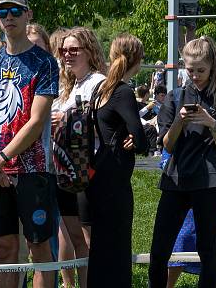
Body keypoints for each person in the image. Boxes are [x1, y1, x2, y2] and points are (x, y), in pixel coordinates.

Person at [0, 0, 59, 288]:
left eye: (15, 11)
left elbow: (36, 120)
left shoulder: (44, 63)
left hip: (32, 171)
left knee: (39, 249)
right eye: (2, 12)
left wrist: (2, 157)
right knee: (5, 249)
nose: (8, 17)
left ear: (28, 14)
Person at [149, 36, 216, 288]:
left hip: (210, 179)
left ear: (212, 66)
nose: (195, 75)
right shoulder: (174, 97)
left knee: (206, 248)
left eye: (201, 70)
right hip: (176, 178)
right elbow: (166, 145)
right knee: (159, 250)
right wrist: (180, 121)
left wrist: (212, 124)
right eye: (190, 70)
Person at [87, 34, 147, 287]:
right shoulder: (123, 92)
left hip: (98, 171)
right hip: (116, 176)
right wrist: (136, 139)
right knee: (119, 245)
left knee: (99, 245)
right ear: (138, 61)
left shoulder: (101, 89)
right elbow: (141, 138)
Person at [51, 27, 107, 288]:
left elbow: (104, 126)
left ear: (90, 50)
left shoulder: (99, 83)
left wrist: (66, 119)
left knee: (88, 239)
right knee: (74, 238)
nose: (67, 55)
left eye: (74, 50)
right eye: (64, 51)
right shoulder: (68, 86)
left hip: (86, 171)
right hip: (64, 169)